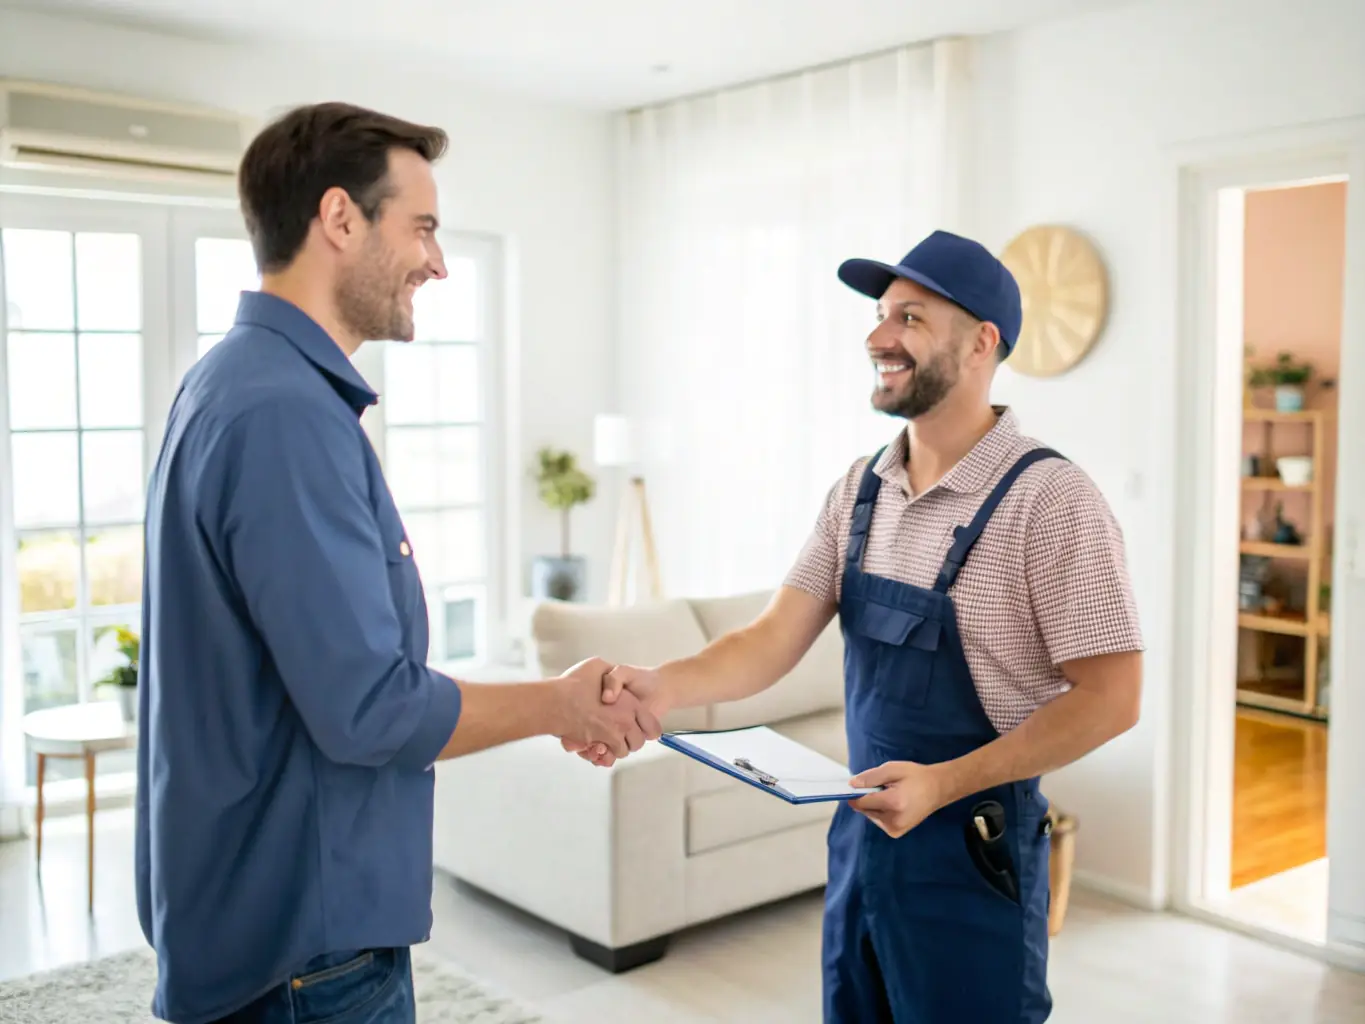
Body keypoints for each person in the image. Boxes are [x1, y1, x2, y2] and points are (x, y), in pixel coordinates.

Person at [135, 102, 660, 1024]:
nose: (438, 261)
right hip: (303, 946)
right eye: (421, 227)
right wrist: (557, 702)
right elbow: (367, 709)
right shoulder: (283, 415)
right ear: (340, 219)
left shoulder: (232, 383)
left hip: (253, 914)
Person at [567, 229, 1144, 1022]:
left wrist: (941, 783)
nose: (876, 337)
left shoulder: (1051, 502)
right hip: (860, 843)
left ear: (981, 343)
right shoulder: (858, 490)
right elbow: (771, 638)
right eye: (879, 315)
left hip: (972, 854)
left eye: (908, 317)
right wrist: (660, 685)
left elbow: (1111, 698)